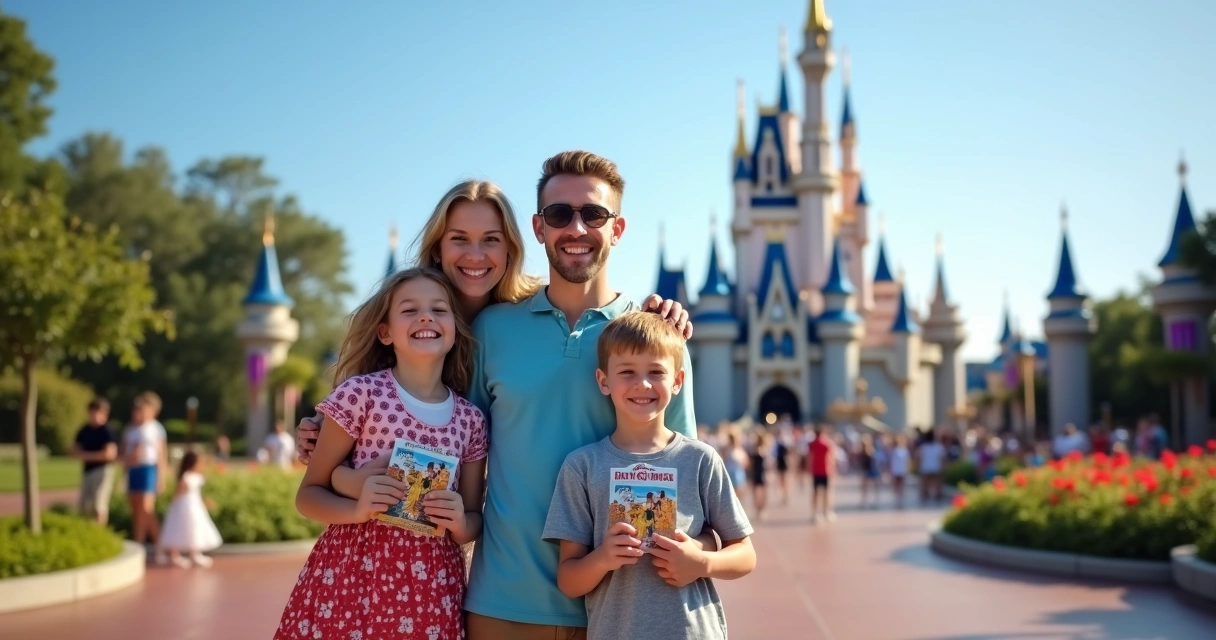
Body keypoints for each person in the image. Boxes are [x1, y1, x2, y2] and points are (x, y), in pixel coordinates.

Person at [294, 177, 690, 457]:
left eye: (491, 241)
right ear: (437, 249)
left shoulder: (520, 314)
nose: (476, 256)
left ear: (510, 251)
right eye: (459, 239)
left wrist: (651, 322)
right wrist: (322, 432)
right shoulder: (408, 318)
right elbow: (364, 408)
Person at [276, 267, 488, 640]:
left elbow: (472, 522)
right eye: (410, 310)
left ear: (455, 329)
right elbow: (308, 495)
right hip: (349, 586)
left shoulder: (471, 420)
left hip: (431, 594)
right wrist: (357, 509)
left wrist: (458, 520)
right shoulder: (360, 395)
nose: (426, 317)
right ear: (385, 332)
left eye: (439, 310)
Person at [543, 312, 755, 640]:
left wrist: (701, 562)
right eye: (627, 372)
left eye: (656, 372)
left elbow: (745, 554)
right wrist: (603, 558)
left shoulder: (700, 459)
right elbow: (569, 580)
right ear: (603, 381)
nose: (642, 384)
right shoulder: (582, 466)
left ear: (677, 381)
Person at [122, 392, 169, 559]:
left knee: (146, 509)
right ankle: (143, 545)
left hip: (148, 469)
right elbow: (125, 453)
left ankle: (154, 545)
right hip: (133, 470)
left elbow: (161, 455)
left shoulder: (155, 428)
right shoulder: (131, 429)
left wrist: (161, 477)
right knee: (136, 511)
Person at [157, 450, 222, 568]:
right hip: (184, 507)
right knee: (179, 529)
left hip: (195, 507)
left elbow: (197, 493)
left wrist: (204, 502)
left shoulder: (198, 477)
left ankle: (195, 553)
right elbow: (177, 493)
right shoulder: (185, 478)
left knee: (195, 529)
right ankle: (174, 555)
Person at [72, 398, 118, 524]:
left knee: (99, 505)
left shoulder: (106, 431)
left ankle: (100, 532)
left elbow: (109, 454)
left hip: (102, 470)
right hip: (88, 471)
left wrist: (86, 455)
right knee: (84, 506)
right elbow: (74, 451)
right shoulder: (84, 430)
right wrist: (93, 455)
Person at [808, 426, 836, 523]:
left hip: (816, 471)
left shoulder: (812, 444)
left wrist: (809, 468)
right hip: (825, 470)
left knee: (815, 493)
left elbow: (809, 457)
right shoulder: (827, 443)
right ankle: (826, 512)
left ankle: (815, 513)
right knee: (826, 493)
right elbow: (831, 457)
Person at [917, 432, 946, 502]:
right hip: (935, 467)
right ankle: (937, 496)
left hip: (925, 467)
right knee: (937, 483)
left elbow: (919, 457)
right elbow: (942, 457)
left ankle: (924, 496)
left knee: (925, 483)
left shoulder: (923, 447)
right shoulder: (938, 446)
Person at [747, 431, 769, 519]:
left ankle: (761, 509)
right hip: (758, 473)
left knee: (761, 493)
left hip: (761, 473)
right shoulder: (755, 450)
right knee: (758, 493)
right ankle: (759, 509)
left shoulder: (762, 449)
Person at [857, 433, 880, 509]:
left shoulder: (871, 450)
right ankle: (865, 501)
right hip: (866, 470)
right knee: (865, 487)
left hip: (871, 470)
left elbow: (874, 461)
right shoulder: (861, 451)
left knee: (872, 486)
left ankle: (874, 501)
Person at [888, 435, 911, 508]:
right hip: (896, 470)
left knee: (902, 484)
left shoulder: (905, 450)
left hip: (902, 469)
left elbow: (907, 461)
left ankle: (901, 497)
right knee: (896, 484)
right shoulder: (894, 450)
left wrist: (907, 469)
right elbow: (892, 461)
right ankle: (897, 496)